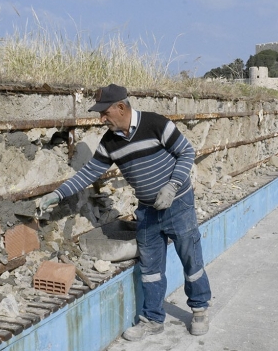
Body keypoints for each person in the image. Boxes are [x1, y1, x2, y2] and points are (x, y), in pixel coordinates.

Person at [39, 84, 212, 341]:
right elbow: (89, 173)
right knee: (150, 266)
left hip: (179, 203)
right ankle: (152, 319)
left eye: (104, 113)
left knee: (190, 256)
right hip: (147, 209)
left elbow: (186, 152)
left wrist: (172, 185)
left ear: (121, 107)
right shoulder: (109, 142)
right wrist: (58, 194)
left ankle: (199, 309)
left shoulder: (155, 124)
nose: (101, 119)